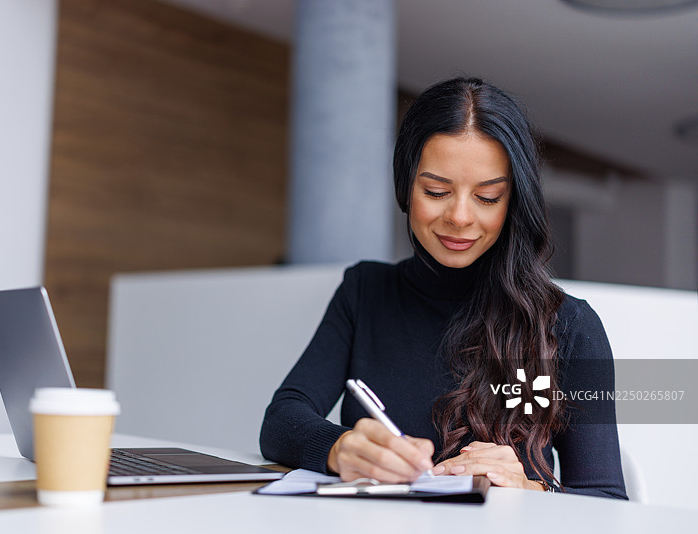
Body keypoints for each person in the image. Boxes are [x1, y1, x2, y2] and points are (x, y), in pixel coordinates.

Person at [259, 77, 628, 499]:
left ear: (513, 201)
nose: (459, 217)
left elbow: (607, 499)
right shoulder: (365, 292)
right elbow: (282, 420)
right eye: (436, 191)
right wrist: (340, 448)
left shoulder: (569, 326)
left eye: (487, 197)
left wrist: (531, 489)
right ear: (405, 186)